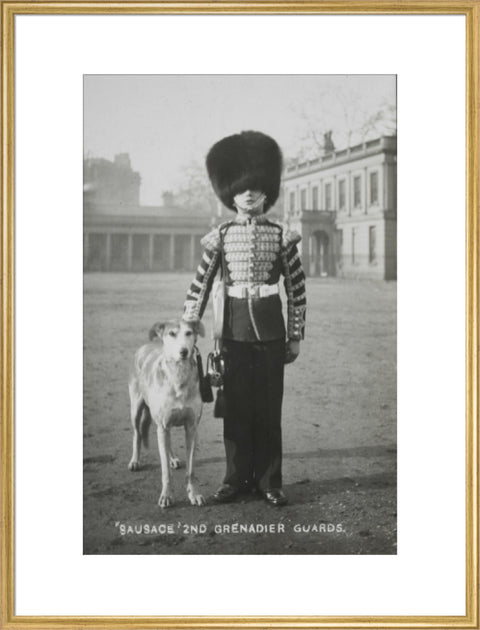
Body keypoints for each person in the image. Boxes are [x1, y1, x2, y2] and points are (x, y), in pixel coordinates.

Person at [183, 130, 306, 506]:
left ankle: (270, 481)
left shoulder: (282, 236)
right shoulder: (220, 235)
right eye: (241, 188)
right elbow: (200, 283)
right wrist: (189, 324)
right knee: (235, 410)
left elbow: (297, 289)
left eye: (255, 186)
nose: (249, 193)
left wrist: (295, 335)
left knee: (269, 410)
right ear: (230, 194)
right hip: (232, 334)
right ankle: (235, 478)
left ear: (267, 191)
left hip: (270, 333)